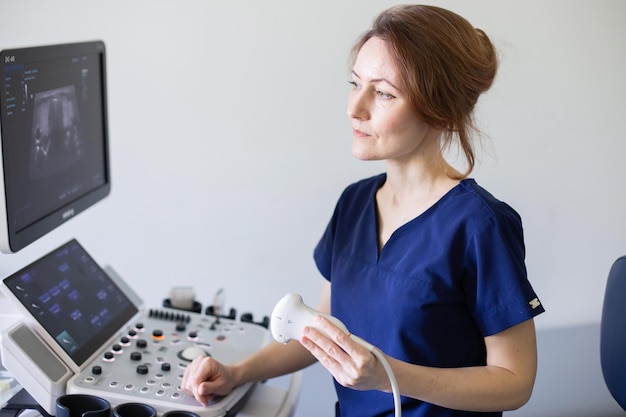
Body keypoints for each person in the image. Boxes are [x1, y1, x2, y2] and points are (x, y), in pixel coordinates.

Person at [181, 4, 545, 416]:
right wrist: (237, 372)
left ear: (440, 110)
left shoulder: (480, 225)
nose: (355, 108)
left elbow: (514, 382)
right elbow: (323, 331)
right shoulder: (354, 204)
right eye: (355, 84)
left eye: (384, 93)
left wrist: (387, 374)